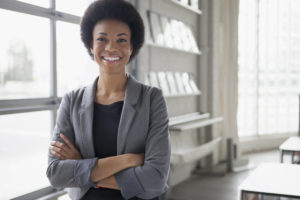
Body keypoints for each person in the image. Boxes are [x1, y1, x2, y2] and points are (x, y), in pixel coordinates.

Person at [46, 0, 171, 199]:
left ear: (132, 46)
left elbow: (155, 180)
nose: (111, 48)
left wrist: (83, 166)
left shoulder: (151, 99)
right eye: (102, 39)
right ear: (90, 44)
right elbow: (55, 173)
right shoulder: (71, 101)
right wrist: (129, 160)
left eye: (121, 40)